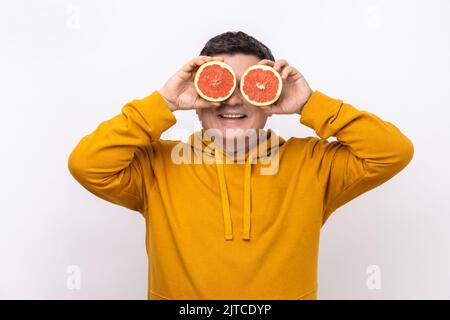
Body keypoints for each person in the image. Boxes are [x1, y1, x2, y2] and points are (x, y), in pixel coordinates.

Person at [68, 31, 414, 299]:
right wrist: (164, 102)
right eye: (219, 85)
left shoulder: (314, 163)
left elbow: (392, 151)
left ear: (271, 96)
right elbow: (87, 164)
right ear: (197, 96)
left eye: (249, 86)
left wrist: (310, 104)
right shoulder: (157, 166)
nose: (232, 99)